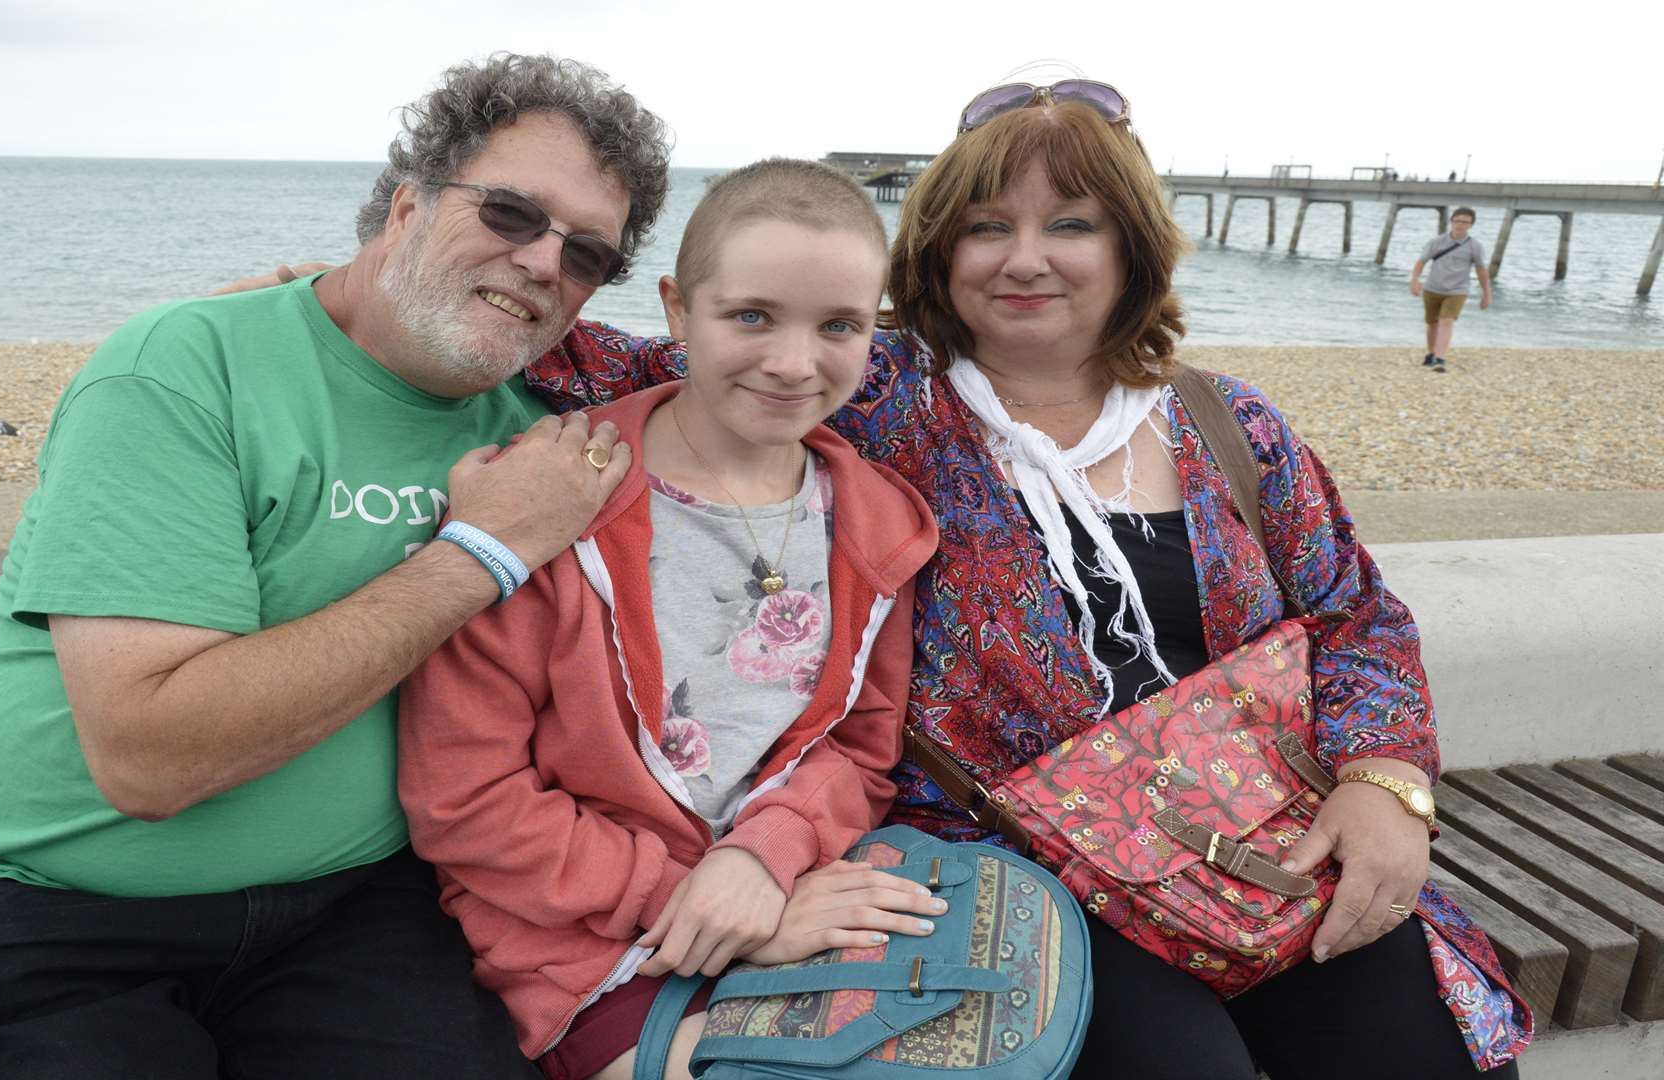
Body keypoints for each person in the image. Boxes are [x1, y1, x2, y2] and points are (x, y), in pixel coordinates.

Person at [520, 81, 1532, 1077]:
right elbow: (580, 354)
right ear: (938, 250)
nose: (1025, 259)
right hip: (1009, 876)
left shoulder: (1232, 425)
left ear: (1131, 244)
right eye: (987, 226)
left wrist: (1387, 784)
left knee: (1430, 1051)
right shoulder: (865, 392)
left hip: (1264, 847)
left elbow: (1355, 612)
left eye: (1072, 224)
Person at [0, 53, 671, 1078]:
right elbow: (152, 758)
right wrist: (482, 552)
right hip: (35, 905)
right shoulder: (185, 366)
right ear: (407, 204)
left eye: (586, 253)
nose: (546, 263)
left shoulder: (545, 439)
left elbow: (772, 372)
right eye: (510, 214)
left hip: (349, 908)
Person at [398, 160, 940, 1080]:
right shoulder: (550, 496)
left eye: (838, 326)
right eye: (752, 316)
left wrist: (767, 860)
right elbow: (467, 800)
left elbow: (858, 747)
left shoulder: (878, 522)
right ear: (678, 309)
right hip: (579, 942)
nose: (793, 363)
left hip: (788, 893)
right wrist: (689, 894)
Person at [1411, 206, 1492, 371]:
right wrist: (1415, 280)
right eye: (1457, 220)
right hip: (1432, 288)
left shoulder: (1475, 246)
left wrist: (1486, 293)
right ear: (1451, 221)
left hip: (1457, 290)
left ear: (1471, 225)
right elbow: (1421, 261)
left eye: (1465, 222)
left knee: (1446, 321)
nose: (1460, 225)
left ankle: (1440, 359)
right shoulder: (1437, 242)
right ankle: (1431, 353)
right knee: (1432, 323)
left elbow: (1481, 270)